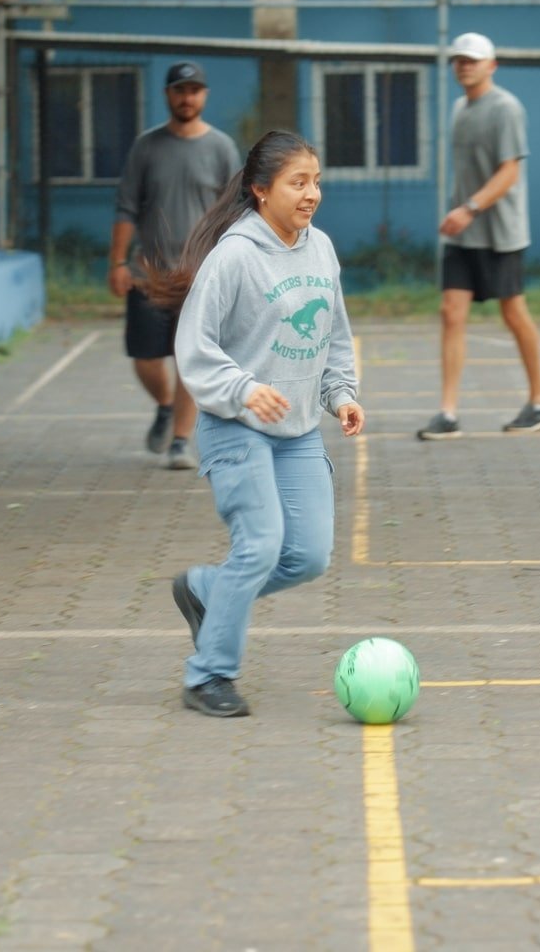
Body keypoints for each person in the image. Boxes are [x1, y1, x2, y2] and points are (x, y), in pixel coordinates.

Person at [150, 131, 363, 718]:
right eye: (298, 182)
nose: (311, 193)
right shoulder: (234, 256)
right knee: (261, 545)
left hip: (295, 430)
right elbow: (193, 349)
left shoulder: (320, 249)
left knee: (308, 556)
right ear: (260, 189)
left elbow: (335, 336)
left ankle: (206, 591)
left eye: (316, 180)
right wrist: (244, 389)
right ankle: (208, 676)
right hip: (235, 423)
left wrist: (340, 394)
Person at [417, 32, 540, 440]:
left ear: (491, 65)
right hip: (462, 234)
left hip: (498, 232)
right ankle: (447, 413)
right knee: (451, 313)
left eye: (473, 60)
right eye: (459, 59)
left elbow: (509, 171)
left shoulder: (506, 108)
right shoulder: (460, 106)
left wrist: (470, 208)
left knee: (513, 313)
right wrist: (461, 214)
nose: (465, 65)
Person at [111, 61, 242, 470]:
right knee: (146, 357)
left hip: (200, 275)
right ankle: (165, 407)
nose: (187, 97)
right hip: (149, 274)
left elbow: (233, 211)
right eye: (180, 90)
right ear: (168, 95)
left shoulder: (221, 147)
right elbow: (126, 206)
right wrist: (117, 261)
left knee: (189, 358)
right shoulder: (146, 147)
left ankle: (181, 441)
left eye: (194, 90)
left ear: (204, 96)